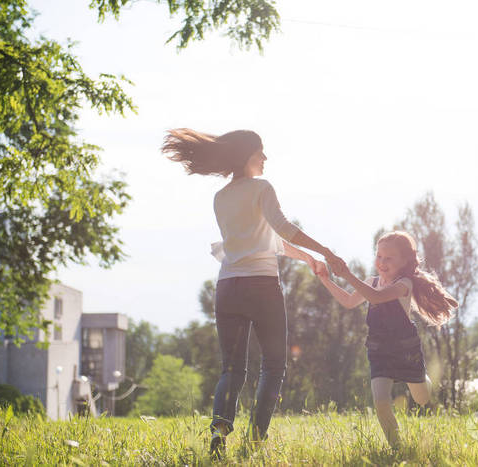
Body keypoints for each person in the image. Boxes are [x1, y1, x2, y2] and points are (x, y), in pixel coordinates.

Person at [162, 128, 344, 457]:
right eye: (261, 152)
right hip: (261, 287)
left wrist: (308, 258)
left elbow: (263, 239)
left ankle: (219, 430)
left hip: (228, 286)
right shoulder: (262, 187)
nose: (265, 158)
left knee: (231, 369)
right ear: (248, 156)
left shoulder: (221, 197)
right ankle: (255, 439)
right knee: (273, 367)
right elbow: (283, 228)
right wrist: (326, 251)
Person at [315, 231, 458, 449]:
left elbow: (377, 297)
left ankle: (423, 379)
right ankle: (397, 448)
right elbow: (348, 301)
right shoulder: (371, 281)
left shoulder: (405, 284)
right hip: (379, 351)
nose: (381, 262)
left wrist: (347, 275)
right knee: (381, 401)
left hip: (405, 351)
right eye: (379, 256)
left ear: (404, 261)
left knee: (421, 399)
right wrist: (324, 279)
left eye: (388, 258)